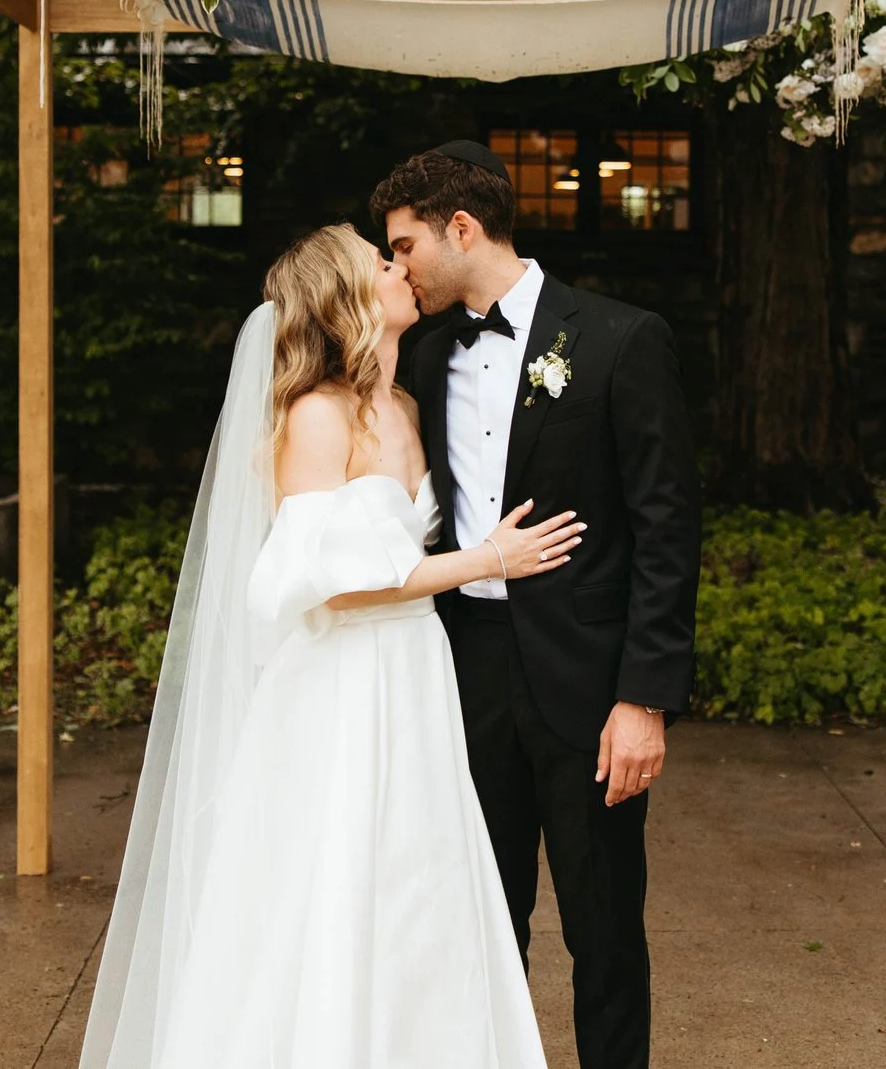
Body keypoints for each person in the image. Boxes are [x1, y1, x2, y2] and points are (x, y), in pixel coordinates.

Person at [79, 223, 577, 1069]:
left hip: (415, 675)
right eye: (381, 263)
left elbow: (404, 545)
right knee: (337, 888)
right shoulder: (312, 415)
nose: (400, 270)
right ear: (349, 298)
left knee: (419, 889)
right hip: (341, 683)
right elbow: (336, 582)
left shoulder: (409, 405)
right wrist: (487, 559)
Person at [373, 142, 702, 1069]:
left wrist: (644, 697)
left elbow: (666, 531)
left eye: (404, 247)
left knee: (603, 933)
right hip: (463, 670)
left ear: (461, 228)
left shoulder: (620, 339)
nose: (398, 267)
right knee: (478, 921)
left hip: (592, 687)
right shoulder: (424, 359)